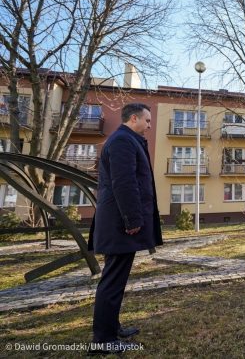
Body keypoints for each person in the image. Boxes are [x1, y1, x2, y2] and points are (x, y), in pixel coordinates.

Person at [87, 103, 163, 355]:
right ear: (134, 118)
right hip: (119, 224)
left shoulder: (126, 140)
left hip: (118, 223)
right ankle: (103, 340)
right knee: (112, 281)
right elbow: (124, 183)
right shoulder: (122, 141)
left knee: (116, 279)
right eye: (148, 121)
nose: (150, 125)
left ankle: (111, 327)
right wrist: (132, 220)